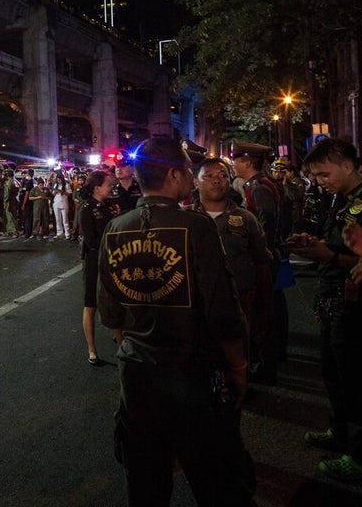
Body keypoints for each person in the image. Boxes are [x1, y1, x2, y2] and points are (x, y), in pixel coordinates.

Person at [97, 137, 254, 507]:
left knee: (146, 481)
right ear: (172, 175)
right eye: (185, 170)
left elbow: (111, 314)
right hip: (188, 372)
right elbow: (220, 309)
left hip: (135, 372)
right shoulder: (195, 227)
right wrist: (238, 365)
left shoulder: (116, 227)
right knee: (215, 478)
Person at [286, 138, 362, 482]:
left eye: (324, 173)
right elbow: (340, 242)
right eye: (316, 176)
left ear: (348, 165)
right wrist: (318, 245)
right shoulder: (346, 198)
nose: (320, 181)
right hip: (335, 298)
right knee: (336, 375)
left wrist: (330, 256)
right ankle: (341, 433)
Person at [191, 159, 274, 383]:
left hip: (240, 304)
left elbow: (262, 264)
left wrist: (265, 307)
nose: (217, 179)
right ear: (195, 182)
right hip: (197, 308)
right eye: (208, 175)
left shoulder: (247, 219)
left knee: (238, 363)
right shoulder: (186, 221)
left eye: (223, 175)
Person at [232, 140, 283, 382]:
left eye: (236, 160)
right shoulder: (258, 184)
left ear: (247, 162)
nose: (233, 164)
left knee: (263, 311)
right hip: (270, 253)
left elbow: (266, 223)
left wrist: (259, 249)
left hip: (266, 255)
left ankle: (265, 364)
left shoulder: (259, 187)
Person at [79, 170, 116, 365]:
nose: (111, 188)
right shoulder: (86, 209)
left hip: (110, 258)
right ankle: (92, 350)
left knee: (113, 299)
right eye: (108, 185)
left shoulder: (108, 206)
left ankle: (120, 339)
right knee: (91, 304)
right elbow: (91, 240)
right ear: (96, 187)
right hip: (94, 259)